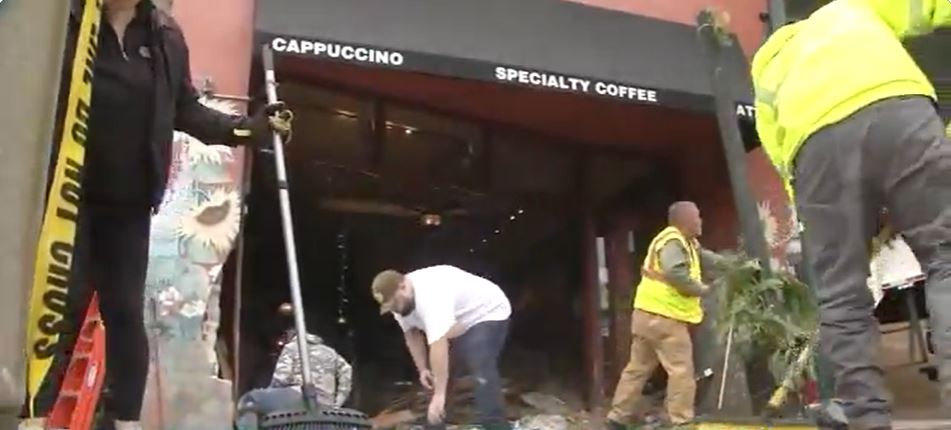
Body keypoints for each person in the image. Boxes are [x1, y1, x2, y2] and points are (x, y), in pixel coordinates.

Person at [21, 1, 292, 429]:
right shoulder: (67, 22)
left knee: (126, 314)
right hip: (67, 198)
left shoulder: (163, 37)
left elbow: (185, 108)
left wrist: (245, 129)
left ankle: (123, 421)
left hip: (128, 203)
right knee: (61, 308)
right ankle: (30, 417)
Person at [752, 1, 951, 428]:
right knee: (946, 258)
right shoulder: (854, 10)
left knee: (840, 293)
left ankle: (865, 417)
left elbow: (777, 148)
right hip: (900, 108)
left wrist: (828, 215)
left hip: (816, 145)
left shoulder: (768, 64)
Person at [607, 201, 723, 429]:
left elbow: (706, 258)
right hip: (665, 318)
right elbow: (675, 272)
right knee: (681, 371)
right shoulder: (673, 241)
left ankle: (617, 417)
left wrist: (735, 265)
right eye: (697, 216)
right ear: (684, 220)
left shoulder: (685, 242)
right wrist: (703, 290)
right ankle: (682, 422)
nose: (700, 221)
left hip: (646, 315)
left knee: (637, 369)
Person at [371, 265, 512, 430]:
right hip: (456, 323)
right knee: (436, 376)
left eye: (394, 303)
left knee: (478, 361)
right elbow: (411, 334)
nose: (394, 309)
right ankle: (435, 426)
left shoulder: (430, 295)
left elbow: (439, 345)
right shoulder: (400, 303)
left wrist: (439, 395)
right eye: (390, 306)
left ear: (403, 286)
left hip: (487, 312)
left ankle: (496, 425)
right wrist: (422, 369)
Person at [270, 329, 353, 408]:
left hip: (300, 397)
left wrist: (271, 393)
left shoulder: (292, 347)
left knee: (258, 398)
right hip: (327, 401)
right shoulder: (330, 351)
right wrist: (338, 402)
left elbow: (281, 378)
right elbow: (347, 370)